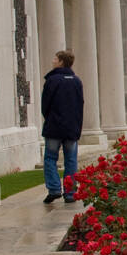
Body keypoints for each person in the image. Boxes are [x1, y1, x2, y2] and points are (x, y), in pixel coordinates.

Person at [41, 49, 84, 203]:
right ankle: (70, 192)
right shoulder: (77, 81)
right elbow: (80, 105)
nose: (52, 60)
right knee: (71, 159)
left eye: (55, 58)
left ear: (61, 62)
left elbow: (45, 105)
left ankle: (54, 189)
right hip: (72, 127)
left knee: (50, 158)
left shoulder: (52, 81)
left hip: (54, 127)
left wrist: (50, 118)